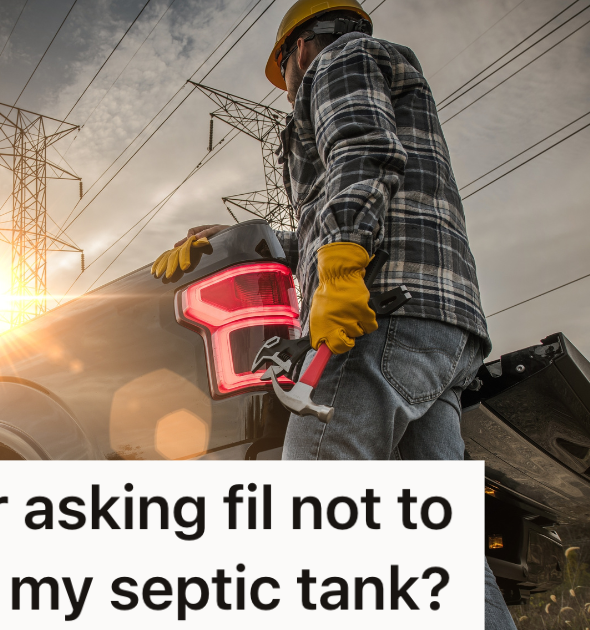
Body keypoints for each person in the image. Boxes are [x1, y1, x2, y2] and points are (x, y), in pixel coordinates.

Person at [152, 1, 515, 627]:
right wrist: (239, 240)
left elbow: (363, 152)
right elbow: (346, 204)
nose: (290, 88)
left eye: (285, 73)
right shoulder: (390, 75)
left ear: (298, 48)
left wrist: (344, 268)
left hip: (381, 315)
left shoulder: (339, 60)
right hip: (445, 327)